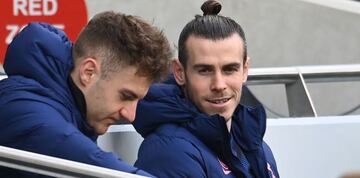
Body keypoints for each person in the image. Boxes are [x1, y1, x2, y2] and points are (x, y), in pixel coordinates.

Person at [0, 11, 171, 177]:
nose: (130, 115)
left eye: (137, 100)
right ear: (88, 72)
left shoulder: (73, 108)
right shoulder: (26, 112)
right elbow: (96, 166)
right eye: (125, 96)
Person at [133, 0, 279, 177]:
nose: (218, 85)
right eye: (204, 70)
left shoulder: (256, 145)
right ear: (179, 72)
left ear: (245, 70)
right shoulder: (170, 151)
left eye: (229, 69)